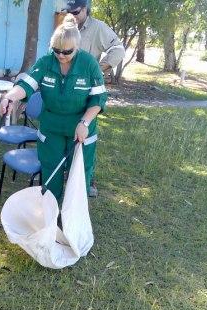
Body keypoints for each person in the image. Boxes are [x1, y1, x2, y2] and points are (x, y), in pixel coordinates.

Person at [0, 14, 107, 203]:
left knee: (80, 174)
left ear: (77, 47)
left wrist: (85, 122)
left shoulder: (89, 64)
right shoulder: (46, 62)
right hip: (52, 128)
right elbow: (26, 85)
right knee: (50, 171)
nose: (61, 55)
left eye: (67, 52)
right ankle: (51, 214)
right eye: (57, 50)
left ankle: (73, 219)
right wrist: (10, 96)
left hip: (80, 128)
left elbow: (98, 99)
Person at [65, 0, 125, 197]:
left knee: (86, 135)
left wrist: (101, 68)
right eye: (69, 11)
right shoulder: (67, 26)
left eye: (76, 11)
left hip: (88, 89)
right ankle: (67, 172)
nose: (72, 15)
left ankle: (88, 178)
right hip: (67, 89)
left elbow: (118, 49)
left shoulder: (98, 27)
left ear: (86, 9)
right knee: (68, 131)